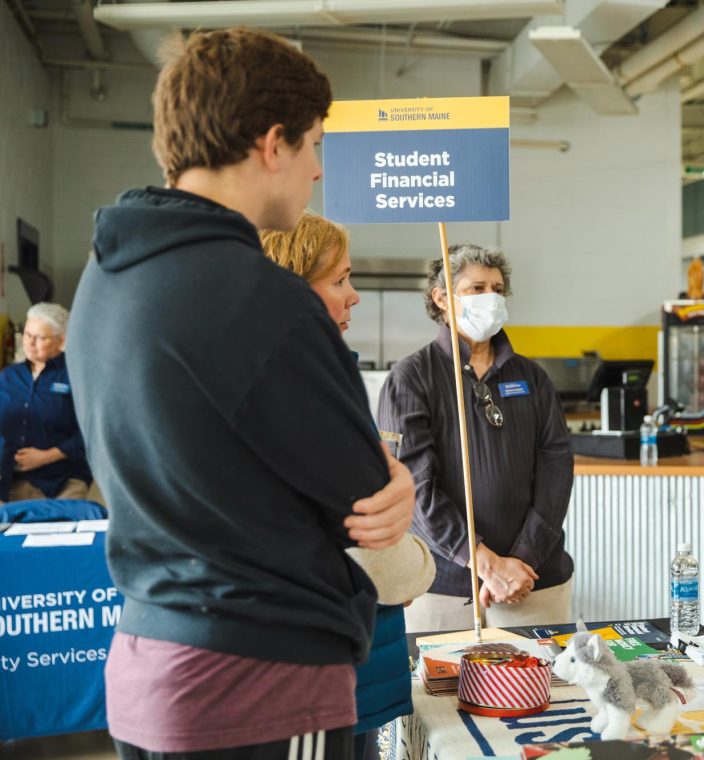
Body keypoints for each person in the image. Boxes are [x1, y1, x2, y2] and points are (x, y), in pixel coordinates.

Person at [67, 28, 416, 760]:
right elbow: (364, 497)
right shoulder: (267, 302)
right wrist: (402, 481)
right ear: (271, 142)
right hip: (259, 680)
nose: (317, 171)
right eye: (315, 145)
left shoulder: (105, 283)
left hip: (147, 665)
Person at [260, 211, 435, 760]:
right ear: (292, 288)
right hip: (323, 667)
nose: (353, 296)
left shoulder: (311, 377)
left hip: (349, 658)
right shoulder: (304, 391)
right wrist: (420, 565)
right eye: (339, 280)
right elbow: (372, 551)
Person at [378, 243, 575, 633]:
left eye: (498, 289)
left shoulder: (532, 378)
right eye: (477, 289)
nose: (492, 298)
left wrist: (520, 561)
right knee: (440, 694)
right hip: (443, 588)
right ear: (442, 297)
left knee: (540, 692)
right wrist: (484, 562)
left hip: (532, 582)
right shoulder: (411, 378)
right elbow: (414, 486)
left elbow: (557, 472)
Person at [0, 303, 92, 503]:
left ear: (62, 341)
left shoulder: (77, 376)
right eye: (27, 335)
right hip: (11, 483)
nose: (30, 343)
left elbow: (91, 430)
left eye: (40, 338)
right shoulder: (8, 377)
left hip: (63, 482)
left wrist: (47, 456)